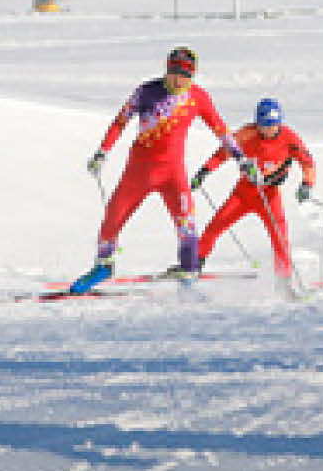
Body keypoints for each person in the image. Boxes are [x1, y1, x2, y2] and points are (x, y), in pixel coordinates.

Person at [74, 45, 246, 292]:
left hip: (173, 174)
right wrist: (103, 152)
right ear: (167, 71)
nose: (179, 80)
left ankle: (188, 272)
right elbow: (120, 122)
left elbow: (220, 130)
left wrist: (240, 158)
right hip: (138, 172)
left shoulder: (198, 97)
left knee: (187, 225)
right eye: (175, 73)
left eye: (186, 76)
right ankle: (103, 266)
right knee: (113, 217)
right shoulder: (146, 92)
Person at [193, 95, 316, 289]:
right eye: (263, 126)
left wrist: (307, 184)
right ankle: (195, 264)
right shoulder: (246, 134)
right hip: (244, 193)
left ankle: (284, 281)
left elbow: (307, 162)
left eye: (273, 125)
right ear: (256, 123)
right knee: (215, 226)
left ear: (279, 123)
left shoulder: (289, 138)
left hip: (270, 195)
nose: (268, 130)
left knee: (280, 238)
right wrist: (203, 172)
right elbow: (222, 153)